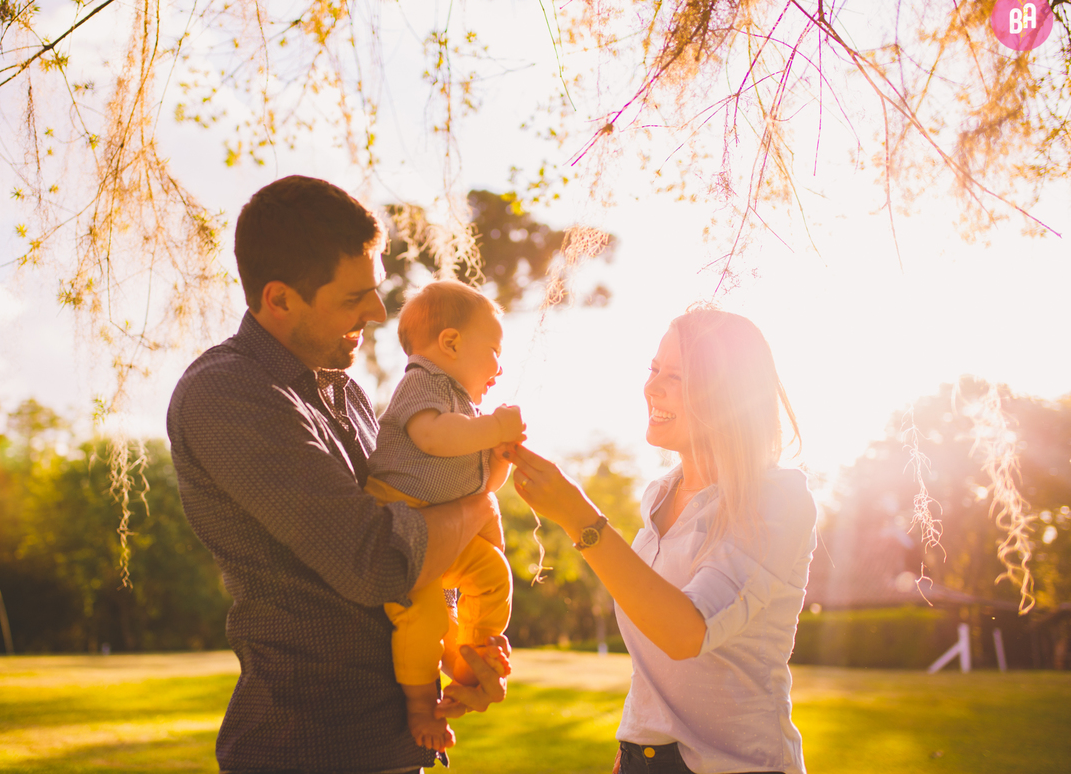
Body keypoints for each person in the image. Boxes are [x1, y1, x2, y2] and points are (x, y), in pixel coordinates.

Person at [166, 175, 509, 774]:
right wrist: (480, 505)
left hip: (394, 745)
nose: (377, 312)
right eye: (355, 297)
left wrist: (460, 653)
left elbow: (417, 545)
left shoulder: (344, 392)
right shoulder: (227, 393)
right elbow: (380, 562)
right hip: (310, 748)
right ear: (280, 299)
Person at [506, 306, 816, 774]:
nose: (651, 388)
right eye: (653, 370)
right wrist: (634, 740)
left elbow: (685, 631)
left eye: (677, 376)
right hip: (642, 758)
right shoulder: (658, 496)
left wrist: (578, 517)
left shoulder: (777, 499)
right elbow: (653, 653)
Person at [365, 280, 524, 751]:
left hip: (444, 527)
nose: (500, 366)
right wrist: (492, 427)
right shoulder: (423, 384)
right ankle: (420, 705)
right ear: (451, 343)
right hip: (401, 523)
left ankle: (476, 659)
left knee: (495, 574)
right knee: (425, 614)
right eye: (494, 351)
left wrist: (500, 454)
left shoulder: (465, 408)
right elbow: (434, 438)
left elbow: (484, 487)